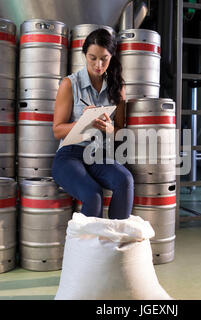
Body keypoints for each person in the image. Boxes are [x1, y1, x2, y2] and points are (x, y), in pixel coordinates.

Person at [52, 29, 134, 220]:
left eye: (104, 59)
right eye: (92, 58)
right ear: (84, 55)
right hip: (69, 156)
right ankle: (88, 249)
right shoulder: (69, 84)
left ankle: (116, 243)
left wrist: (110, 129)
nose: (98, 65)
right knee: (93, 195)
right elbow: (57, 130)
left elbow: (121, 130)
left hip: (98, 155)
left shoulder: (117, 87)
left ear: (111, 57)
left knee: (126, 180)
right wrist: (81, 122)